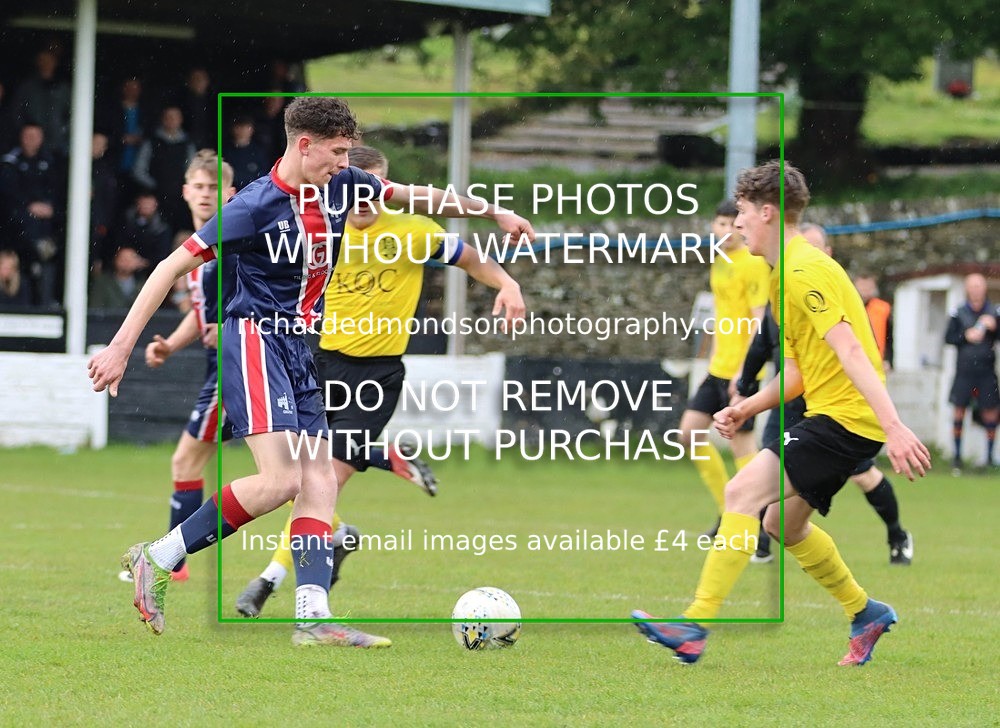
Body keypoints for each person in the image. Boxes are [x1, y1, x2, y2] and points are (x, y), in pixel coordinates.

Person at [88, 96, 534, 647]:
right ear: (305, 145)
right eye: (338, 152)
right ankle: (157, 556)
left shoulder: (342, 184)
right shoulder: (252, 208)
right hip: (253, 339)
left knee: (319, 480)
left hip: (301, 347)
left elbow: (415, 194)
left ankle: (312, 619)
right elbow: (168, 267)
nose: (346, 164)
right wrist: (120, 348)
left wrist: (493, 212)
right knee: (282, 480)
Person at [632, 160, 930, 667]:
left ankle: (694, 626)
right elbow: (798, 372)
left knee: (741, 492)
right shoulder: (779, 276)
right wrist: (746, 404)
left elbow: (853, 352)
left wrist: (896, 425)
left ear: (768, 212)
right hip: (833, 413)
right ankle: (866, 612)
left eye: (744, 212)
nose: (738, 223)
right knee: (781, 525)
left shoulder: (803, 270)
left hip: (845, 420)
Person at [235, 145, 526, 617]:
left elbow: (472, 260)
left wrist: (507, 284)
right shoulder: (322, 231)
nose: (366, 200)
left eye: (377, 189)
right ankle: (336, 538)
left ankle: (270, 581)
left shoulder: (413, 232)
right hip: (320, 364)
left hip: (376, 379)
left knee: (317, 482)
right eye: (358, 187)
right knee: (302, 483)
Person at [678, 200, 769, 540]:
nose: (726, 231)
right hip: (717, 368)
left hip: (741, 373)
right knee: (688, 434)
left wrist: (744, 375)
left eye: (733, 225)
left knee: (742, 448)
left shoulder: (753, 265)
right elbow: (721, 319)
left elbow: (759, 324)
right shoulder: (719, 263)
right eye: (720, 224)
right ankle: (726, 510)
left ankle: (755, 520)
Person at [945, 272, 999, 473]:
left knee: (991, 412)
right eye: (972, 286)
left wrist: (995, 327)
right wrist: (965, 336)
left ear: (984, 288)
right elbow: (949, 337)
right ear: (967, 289)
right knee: (959, 410)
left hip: (986, 371)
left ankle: (989, 458)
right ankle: (957, 458)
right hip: (964, 370)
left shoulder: (994, 312)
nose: (976, 290)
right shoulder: (958, 312)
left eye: (979, 286)